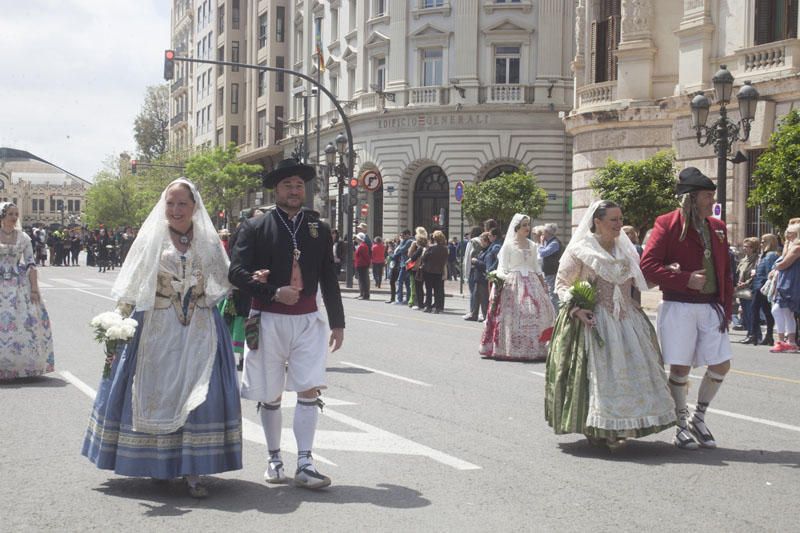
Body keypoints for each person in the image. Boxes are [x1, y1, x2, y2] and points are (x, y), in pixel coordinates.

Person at [82, 179, 242, 498]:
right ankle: (159, 464)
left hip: (199, 329)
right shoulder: (152, 239)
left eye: (182, 204)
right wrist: (118, 322)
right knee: (155, 392)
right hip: (156, 327)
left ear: (194, 207)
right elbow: (132, 285)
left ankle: (193, 470)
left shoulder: (208, 243)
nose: (175, 210)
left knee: (197, 395)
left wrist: (249, 286)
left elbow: (224, 280)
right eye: (170, 203)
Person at [229, 158, 345, 490]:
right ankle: (274, 458)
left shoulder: (318, 228)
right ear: (276, 190)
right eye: (287, 185)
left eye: (298, 185)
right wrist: (271, 291)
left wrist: (337, 322)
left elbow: (328, 277)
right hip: (267, 319)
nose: (294, 190)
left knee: (310, 387)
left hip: (308, 320)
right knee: (271, 393)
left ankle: (305, 461)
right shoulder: (255, 227)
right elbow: (235, 273)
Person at [545, 200, 675, 449]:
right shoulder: (580, 251)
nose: (619, 224)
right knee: (598, 376)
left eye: (620, 219)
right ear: (597, 222)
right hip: (593, 319)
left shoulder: (625, 250)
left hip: (627, 321)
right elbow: (561, 285)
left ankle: (625, 424)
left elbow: (640, 282)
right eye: (613, 220)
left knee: (632, 373)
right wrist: (576, 308)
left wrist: (667, 272)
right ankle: (598, 426)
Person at [640, 167, 734, 450]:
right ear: (692, 198)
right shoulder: (667, 223)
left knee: (721, 363)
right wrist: (684, 279)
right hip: (679, 304)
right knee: (679, 367)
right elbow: (648, 265)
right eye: (707, 195)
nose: (711, 201)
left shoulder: (717, 227)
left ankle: (699, 417)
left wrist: (726, 307)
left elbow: (725, 270)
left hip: (711, 306)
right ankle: (680, 423)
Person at [480, 214, 555, 361]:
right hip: (513, 282)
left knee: (536, 313)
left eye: (528, 225)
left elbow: (536, 266)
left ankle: (535, 347)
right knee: (513, 316)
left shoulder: (532, 245)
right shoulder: (508, 246)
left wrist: (542, 282)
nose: (527, 228)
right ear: (517, 228)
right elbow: (502, 267)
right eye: (524, 225)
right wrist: (505, 279)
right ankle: (513, 348)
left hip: (532, 281)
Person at [0, 202, 55, 380]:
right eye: (10, 214)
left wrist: (34, 289)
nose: (14, 217)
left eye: (16, 214)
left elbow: (31, 263)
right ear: (3, 216)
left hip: (18, 284)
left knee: (22, 322)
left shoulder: (23, 237)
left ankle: (22, 365)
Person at [768, 224, 800, 352]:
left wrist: (776, 266)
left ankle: (783, 340)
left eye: (790, 232)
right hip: (787, 280)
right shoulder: (791, 246)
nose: (787, 235)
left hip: (791, 282)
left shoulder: (797, 248)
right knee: (786, 312)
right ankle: (789, 342)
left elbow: (783, 264)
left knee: (778, 310)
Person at [750, 233, 780, 345]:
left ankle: (758, 335)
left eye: (763, 241)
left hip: (762, 286)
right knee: (763, 311)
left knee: (758, 310)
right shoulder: (765, 255)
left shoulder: (771, 255)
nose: (761, 243)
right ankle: (764, 336)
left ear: (769, 242)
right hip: (759, 285)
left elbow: (769, 272)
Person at [734, 237, 758, 344]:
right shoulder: (743, 259)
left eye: (748, 247)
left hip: (749, 288)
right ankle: (750, 334)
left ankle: (754, 334)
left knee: (750, 312)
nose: (745, 249)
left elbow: (755, 274)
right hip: (741, 289)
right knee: (745, 312)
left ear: (754, 248)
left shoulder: (756, 259)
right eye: (744, 246)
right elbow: (738, 272)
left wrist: (746, 283)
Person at [421, 230, 449, 313]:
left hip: (429, 271)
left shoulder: (431, 248)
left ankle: (428, 306)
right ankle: (437, 307)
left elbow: (424, 258)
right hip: (439, 271)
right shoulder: (445, 249)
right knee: (437, 290)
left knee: (429, 290)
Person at [539, 223, 563, 312]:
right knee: (549, 294)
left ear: (547, 232)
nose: (542, 234)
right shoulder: (549, 242)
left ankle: (556, 317)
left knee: (553, 295)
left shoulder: (554, 243)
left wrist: (541, 243)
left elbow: (542, 253)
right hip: (548, 272)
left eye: (543, 232)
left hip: (552, 272)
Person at [407, 227, 428, 310]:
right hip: (424, 267)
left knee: (415, 285)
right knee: (422, 286)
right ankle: (421, 302)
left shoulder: (416, 244)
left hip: (415, 267)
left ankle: (416, 302)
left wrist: (412, 246)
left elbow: (410, 255)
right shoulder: (426, 243)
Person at [389, 229, 413, 304]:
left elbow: (402, 249)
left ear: (407, 235)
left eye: (403, 235)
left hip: (406, 264)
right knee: (407, 282)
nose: (401, 236)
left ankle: (399, 299)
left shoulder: (409, 241)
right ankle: (407, 298)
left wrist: (400, 245)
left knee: (400, 281)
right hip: (404, 263)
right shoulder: (405, 241)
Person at [354, 232, 371, 300]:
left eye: (357, 238)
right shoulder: (361, 245)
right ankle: (362, 294)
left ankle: (365, 295)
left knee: (363, 280)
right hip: (360, 265)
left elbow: (365, 256)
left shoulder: (362, 246)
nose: (356, 239)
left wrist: (367, 263)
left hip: (362, 265)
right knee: (361, 280)